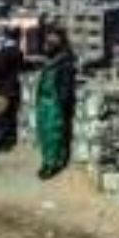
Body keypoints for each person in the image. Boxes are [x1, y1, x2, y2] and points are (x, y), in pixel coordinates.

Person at [35, 28, 79, 180]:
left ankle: (51, 165)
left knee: (54, 134)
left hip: (55, 104)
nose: (48, 44)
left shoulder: (65, 62)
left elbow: (66, 87)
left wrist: (62, 103)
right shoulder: (51, 61)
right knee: (44, 134)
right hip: (44, 102)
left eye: (52, 41)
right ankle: (46, 161)